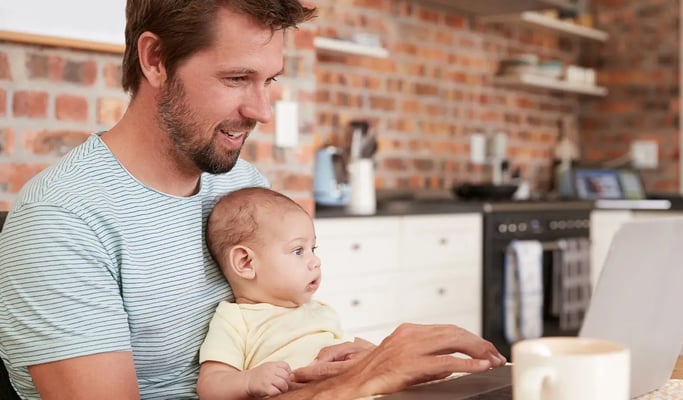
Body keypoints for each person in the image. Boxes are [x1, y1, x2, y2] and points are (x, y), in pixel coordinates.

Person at [0, 0, 506, 399]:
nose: (262, 110)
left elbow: (272, 339)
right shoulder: (61, 222)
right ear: (154, 59)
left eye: (269, 80)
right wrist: (356, 382)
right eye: (237, 78)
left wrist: (339, 365)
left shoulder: (240, 185)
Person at [196, 187, 374, 399]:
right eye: (298, 251)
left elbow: (353, 347)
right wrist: (249, 381)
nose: (315, 261)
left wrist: (381, 353)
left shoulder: (320, 310)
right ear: (245, 262)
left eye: (313, 249)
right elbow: (210, 386)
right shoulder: (235, 319)